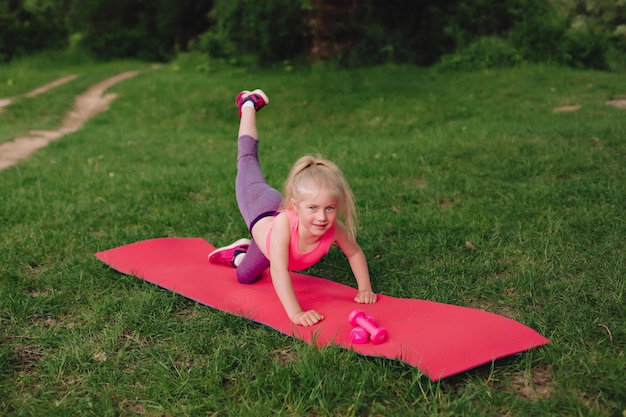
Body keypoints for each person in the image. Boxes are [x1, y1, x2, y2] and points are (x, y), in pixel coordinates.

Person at [209, 89, 377, 327]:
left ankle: (239, 252)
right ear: (296, 207)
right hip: (259, 205)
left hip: (268, 241)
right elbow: (279, 272)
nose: (322, 217)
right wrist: (296, 313)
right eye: (313, 208)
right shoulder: (284, 224)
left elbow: (354, 252)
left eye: (330, 208)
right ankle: (248, 103)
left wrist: (365, 289)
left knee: (244, 277)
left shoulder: (332, 227)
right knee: (246, 159)